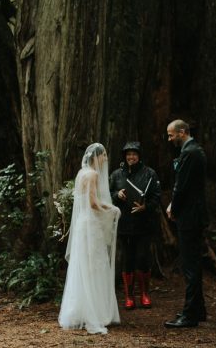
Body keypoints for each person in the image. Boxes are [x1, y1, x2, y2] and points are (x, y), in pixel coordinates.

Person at [58, 143, 121, 334]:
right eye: (104, 156)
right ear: (97, 156)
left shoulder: (81, 173)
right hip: (91, 225)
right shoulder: (93, 175)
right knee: (94, 266)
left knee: (83, 265)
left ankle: (79, 311)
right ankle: (95, 312)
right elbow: (93, 203)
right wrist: (112, 209)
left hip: (82, 224)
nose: (105, 160)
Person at [164, 120, 208, 328]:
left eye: (171, 135)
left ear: (182, 132)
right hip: (194, 214)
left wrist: (174, 207)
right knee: (193, 263)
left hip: (190, 216)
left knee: (190, 266)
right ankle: (198, 310)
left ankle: (189, 315)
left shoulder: (190, 153)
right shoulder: (194, 150)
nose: (169, 139)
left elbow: (181, 185)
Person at [110, 141, 161, 310]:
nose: (131, 157)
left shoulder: (149, 174)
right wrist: (117, 195)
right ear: (124, 156)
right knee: (127, 259)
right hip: (124, 224)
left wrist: (145, 207)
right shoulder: (117, 175)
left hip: (143, 224)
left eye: (134, 154)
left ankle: (145, 294)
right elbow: (107, 194)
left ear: (139, 156)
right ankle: (129, 297)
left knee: (143, 258)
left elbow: (156, 196)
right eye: (128, 154)